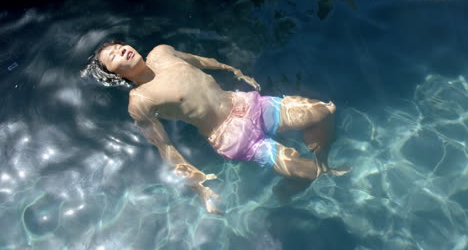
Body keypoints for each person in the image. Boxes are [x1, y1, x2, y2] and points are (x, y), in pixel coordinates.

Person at [81, 40, 349, 214]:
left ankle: (320, 154)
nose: (121, 51)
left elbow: (201, 62)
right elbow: (164, 146)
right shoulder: (140, 101)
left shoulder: (163, 52)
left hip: (248, 105)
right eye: (113, 57)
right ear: (115, 74)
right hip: (232, 136)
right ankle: (291, 186)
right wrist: (199, 187)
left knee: (324, 111)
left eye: (118, 46)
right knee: (311, 173)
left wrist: (234, 71)